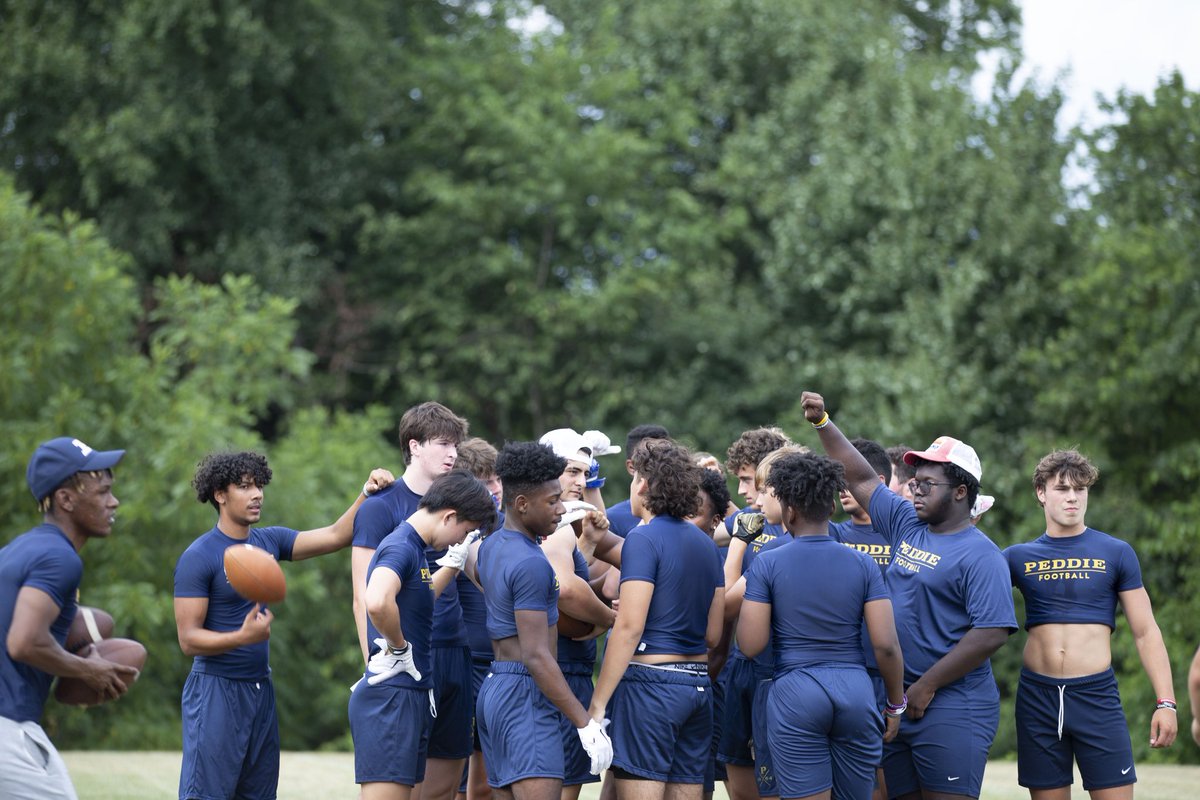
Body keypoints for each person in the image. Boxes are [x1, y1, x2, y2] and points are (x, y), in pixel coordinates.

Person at [803, 391, 1016, 800]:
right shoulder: (908, 525)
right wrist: (823, 423)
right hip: (901, 702)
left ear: (960, 491)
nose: (915, 491)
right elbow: (863, 478)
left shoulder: (981, 554)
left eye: (927, 484)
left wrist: (927, 686)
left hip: (952, 706)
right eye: (915, 482)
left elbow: (991, 632)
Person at [174, 450, 394, 800]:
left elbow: (337, 535)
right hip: (216, 691)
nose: (257, 494)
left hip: (260, 689)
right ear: (219, 494)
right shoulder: (199, 556)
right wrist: (241, 637)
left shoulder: (268, 541)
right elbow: (188, 640)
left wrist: (365, 494)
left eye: (259, 485)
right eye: (245, 487)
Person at [1003, 449, 1177, 799]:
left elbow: (1145, 632)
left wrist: (1166, 702)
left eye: (1080, 490)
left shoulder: (1116, 552)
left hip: (1096, 696)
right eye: (1062, 488)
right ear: (1041, 492)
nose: (1072, 497)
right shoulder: (1015, 557)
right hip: (1038, 698)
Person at [738, 451, 906, 800]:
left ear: (788, 510)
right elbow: (886, 645)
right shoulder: (863, 564)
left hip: (796, 690)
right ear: (831, 508)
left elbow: (751, 645)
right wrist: (894, 704)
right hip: (856, 691)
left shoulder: (767, 564)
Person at [351, 401, 476, 800]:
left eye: (456, 444)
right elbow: (366, 596)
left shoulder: (461, 501)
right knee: (402, 780)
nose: (453, 453)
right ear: (414, 446)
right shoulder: (383, 506)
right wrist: (379, 656)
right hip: (403, 656)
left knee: (445, 786)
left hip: (453, 650)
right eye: (443, 443)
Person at [474, 442, 613, 800]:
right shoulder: (533, 562)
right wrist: (585, 725)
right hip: (526, 696)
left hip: (495, 690)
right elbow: (537, 656)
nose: (562, 508)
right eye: (552, 501)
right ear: (522, 504)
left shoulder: (493, 545)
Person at [1, 437, 137, 800]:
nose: (114, 501)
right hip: (8, 730)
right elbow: (23, 641)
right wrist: (86, 669)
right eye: (103, 491)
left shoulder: (17, 551)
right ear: (66, 499)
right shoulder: (59, 558)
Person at [589, 439, 724, 800]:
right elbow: (713, 634)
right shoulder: (707, 545)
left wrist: (597, 703)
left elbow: (629, 627)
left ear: (644, 485)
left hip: (651, 688)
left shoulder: (643, 539)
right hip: (697, 688)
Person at [537, 428, 618, 800]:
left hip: (566, 667)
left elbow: (571, 577)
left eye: (585, 473)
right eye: (572, 471)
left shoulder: (566, 520)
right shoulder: (549, 522)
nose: (580, 481)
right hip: (555, 668)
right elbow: (564, 590)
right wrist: (609, 619)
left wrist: (586, 542)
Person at [716, 427, 792, 800]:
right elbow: (697, 533)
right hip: (741, 666)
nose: (747, 493)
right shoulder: (749, 519)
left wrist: (736, 545)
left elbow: (727, 604)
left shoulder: (784, 541)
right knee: (737, 765)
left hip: (774, 671)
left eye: (754, 483)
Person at [828, 437, 894, 800]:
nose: (843, 490)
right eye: (838, 482)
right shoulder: (833, 534)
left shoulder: (902, 535)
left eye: (850, 481)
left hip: (891, 674)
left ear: (877, 484)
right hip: (847, 675)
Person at [452, 438, 503, 800]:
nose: (496, 489)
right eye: (486, 483)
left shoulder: (512, 524)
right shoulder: (451, 526)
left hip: (501, 665)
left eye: (498, 479)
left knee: (487, 783)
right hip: (463, 661)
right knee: (453, 779)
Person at [604, 425, 671, 538]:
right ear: (632, 467)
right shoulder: (613, 519)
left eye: (667, 459)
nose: (661, 465)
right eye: (650, 461)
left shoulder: (685, 512)